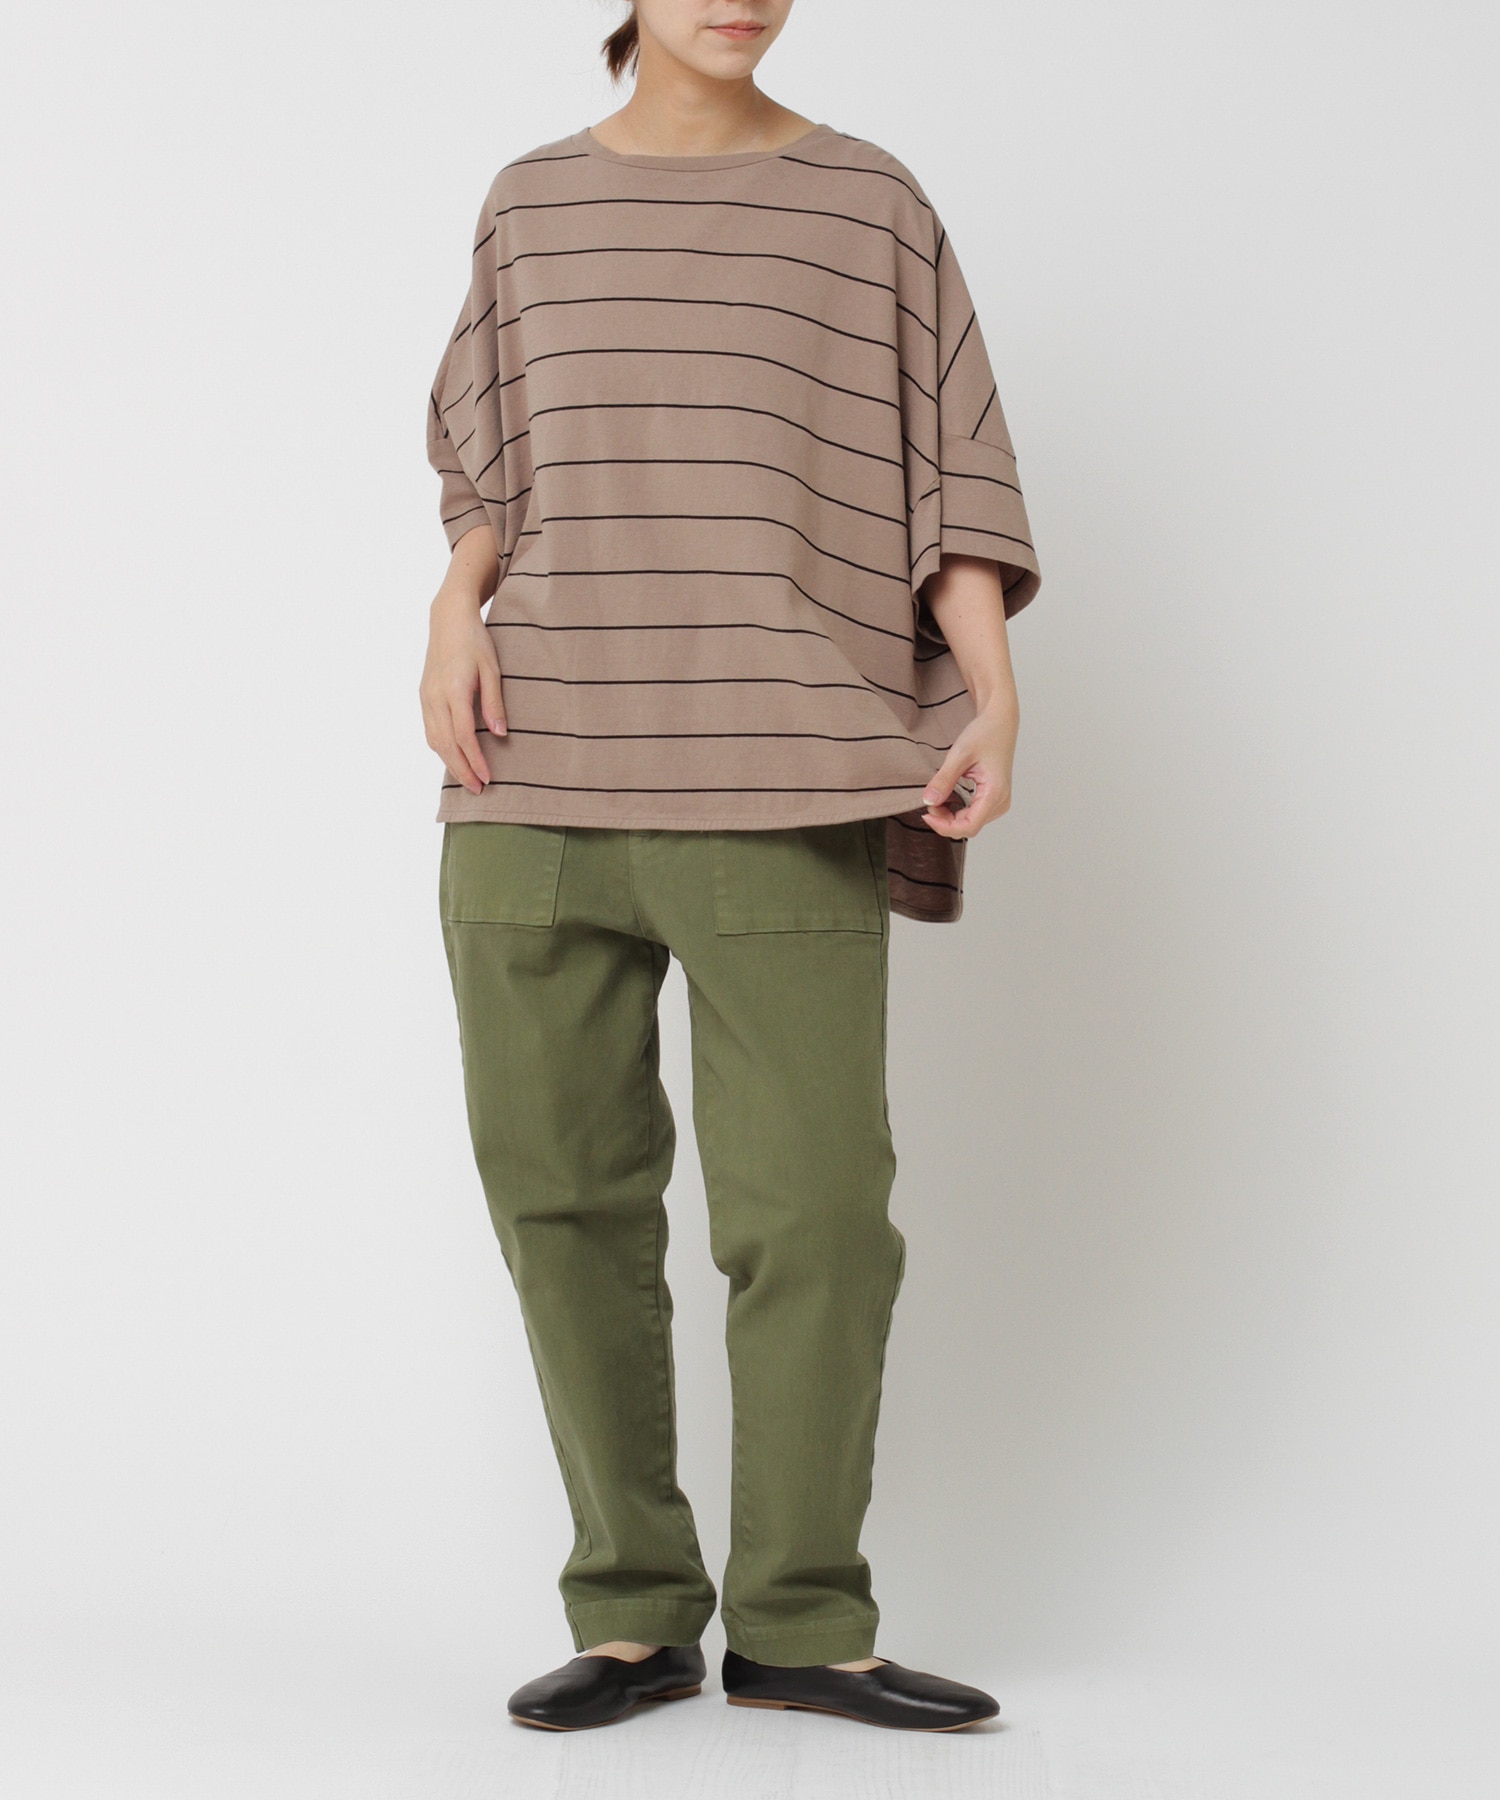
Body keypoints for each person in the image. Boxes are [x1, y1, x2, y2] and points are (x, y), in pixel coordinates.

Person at [420, 0, 1040, 1735]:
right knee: (561, 1206)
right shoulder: (531, 202)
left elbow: (951, 480)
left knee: (818, 1219)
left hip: (785, 769)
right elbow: (491, 473)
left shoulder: (868, 203)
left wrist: (995, 694)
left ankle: (803, 1621)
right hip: (533, 774)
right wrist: (452, 612)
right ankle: (632, 1612)